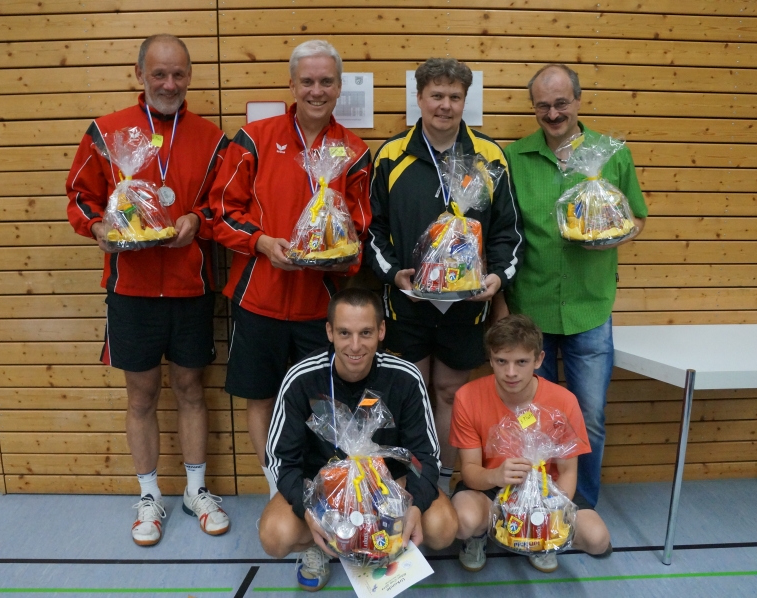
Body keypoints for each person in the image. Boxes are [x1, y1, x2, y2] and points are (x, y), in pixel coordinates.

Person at [66, 34, 229, 546]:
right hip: (131, 290)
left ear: (189, 76)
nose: (169, 83)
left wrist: (196, 220)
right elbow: (80, 197)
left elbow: (223, 205)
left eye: (178, 74)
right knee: (140, 395)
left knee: (190, 389)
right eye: (159, 73)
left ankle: (196, 490)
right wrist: (99, 227)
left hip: (190, 287)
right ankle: (149, 496)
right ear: (140, 74)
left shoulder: (211, 138)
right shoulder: (105, 131)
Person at [209, 40, 372, 496]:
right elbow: (220, 212)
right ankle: (277, 492)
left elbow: (360, 226)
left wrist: (340, 253)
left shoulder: (354, 151)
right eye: (308, 81)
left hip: (321, 307)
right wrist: (261, 243)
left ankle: (321, 491)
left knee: (322, 404)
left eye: (326, 82)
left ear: (339, 87)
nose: (316, 90)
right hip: (257, 297)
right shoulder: (254, 139)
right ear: (292, 84)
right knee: (261, 397)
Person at [367, 58, 524, 496]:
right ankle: (409, 489)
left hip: (468, 306)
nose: (445, 105)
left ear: (464, 101)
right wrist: (394, 275)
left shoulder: (489, 156)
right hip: (407, 302)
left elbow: (509, 232)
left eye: (455, 97)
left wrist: (497, 280)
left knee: (452, 393)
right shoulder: (392, 155)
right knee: (410, 391)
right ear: (419, 98)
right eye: (436, 95)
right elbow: (373, 230)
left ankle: (442, 486)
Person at [503, 63, 648, 508]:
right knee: (533, 419)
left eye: (561, 103)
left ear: (579, 101)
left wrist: (613, 236)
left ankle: (581, 509)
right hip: (531, 309)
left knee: (590, 417)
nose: (553, 113)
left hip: (590, 308)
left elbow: (637, 217)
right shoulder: (515, 158)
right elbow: (504, 230)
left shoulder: (612, 154)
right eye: (543, 105)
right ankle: (537, 507)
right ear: (533, 107)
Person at [260, 287, 459, 591]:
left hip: (391, 489)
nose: (355, 345)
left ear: (381, 331)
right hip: (323, 492)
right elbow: (281, 460)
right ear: (329, 332)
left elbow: (425, 456)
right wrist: (309, 510)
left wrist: (415, 505)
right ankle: (320, 545)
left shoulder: (405, 376)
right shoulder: (301, 378)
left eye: (365, 332)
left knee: (443, 528)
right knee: (274, 535)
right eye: (345, 333)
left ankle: (386, 539)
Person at [450, 315, 612, 574]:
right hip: (491, 487)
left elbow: (568, 471)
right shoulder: (467, 397)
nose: (511, 372)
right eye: (501, 361)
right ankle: (478, 536)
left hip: (549, 490)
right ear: (490, 359)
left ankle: (544, 539)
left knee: (597, 539)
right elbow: (469, 470)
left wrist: (549, 513)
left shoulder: (564, 401)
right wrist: (496, 475)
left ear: (538, 360)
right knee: (463, 521)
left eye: (521, 362)